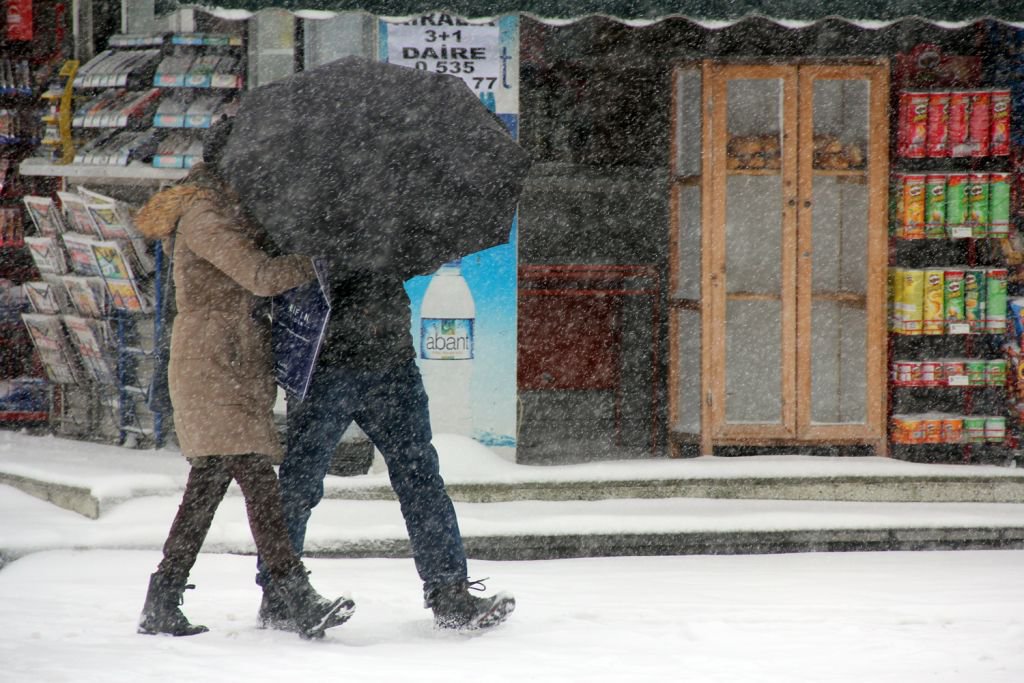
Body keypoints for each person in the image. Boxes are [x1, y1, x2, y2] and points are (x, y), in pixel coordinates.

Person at [134, 120, 354, 640]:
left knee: (207, 486)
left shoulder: (228, 208)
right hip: (212, 363)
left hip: (230, 362)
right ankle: (292, 592)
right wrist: (319, 262)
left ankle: (163, 597)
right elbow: (258, 275)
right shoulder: (205, 215)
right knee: (257, 477)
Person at [254, 270, 515, 632]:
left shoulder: (393, 221)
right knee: (300, 484)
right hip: (325, 367)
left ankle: (450, 596)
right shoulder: (314, 224)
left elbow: (413, 261)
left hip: (392, 366)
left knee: (421, 481)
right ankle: (280, 596)